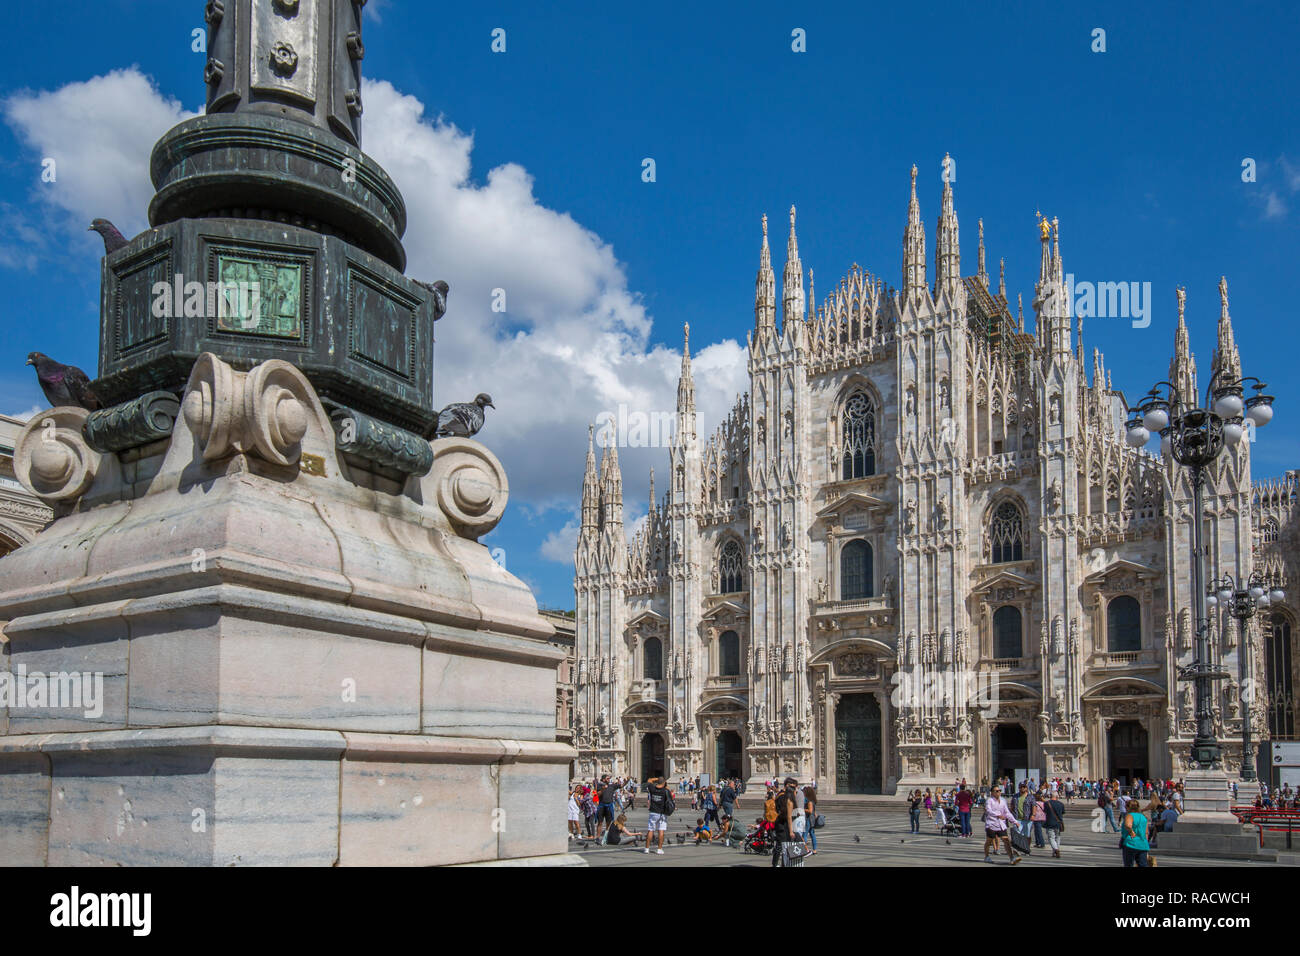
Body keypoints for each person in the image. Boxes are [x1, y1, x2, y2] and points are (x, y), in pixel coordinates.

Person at [982, 785, 1021, 864]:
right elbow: (988, 811)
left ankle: (1012, 858)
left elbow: (1007, 812)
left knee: (1006, 840)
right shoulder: (989, 800)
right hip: (991, 824)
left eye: (999, 790)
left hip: (1001, 824)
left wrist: (1015, 821)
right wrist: (998, 815)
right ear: (992, 792)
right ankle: (986, 856)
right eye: (996, 791)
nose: (999, 792)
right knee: (989, 841)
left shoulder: (1003, 801)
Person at [772, 777, 802, 867]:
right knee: (781, 845)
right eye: (793, 787)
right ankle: (775, 864)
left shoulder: (783, 795)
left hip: (784, 823)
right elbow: (786, 814)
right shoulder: (782, 796)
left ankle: (783, 863)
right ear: (788, 785)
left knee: (784, 845)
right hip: (782, 823)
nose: (795, 790)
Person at [644, 776, 674, 855]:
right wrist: (664, 783)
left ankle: (646, 848)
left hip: (653, 812)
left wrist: (657, 779)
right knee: (661, 831)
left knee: (650, 830)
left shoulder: (652, 788)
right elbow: (670, 799)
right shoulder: (665, 790)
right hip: (662, 813)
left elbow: (649, 780)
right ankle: (659, 849)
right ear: (664, 782)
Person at [1042, 789, 1066, 858]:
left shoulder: (1047, 803)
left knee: (1051, 838)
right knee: (1057, 837)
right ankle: (1055, 851)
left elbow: (1045, 811)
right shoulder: (1061, 804)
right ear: (1057, 796)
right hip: (1058, 823)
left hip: (1049, 822)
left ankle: (1056, 849)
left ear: (1050, 796)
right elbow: (1063, 813)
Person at [803, 786, 819, 855]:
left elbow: (810, 811)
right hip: (812, 819)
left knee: (804, 834)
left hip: (808, 819)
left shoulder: (809, 801)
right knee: (812, 834)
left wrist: (802, 809)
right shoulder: (813, 800)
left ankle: (805, 850)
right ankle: (815, 849)